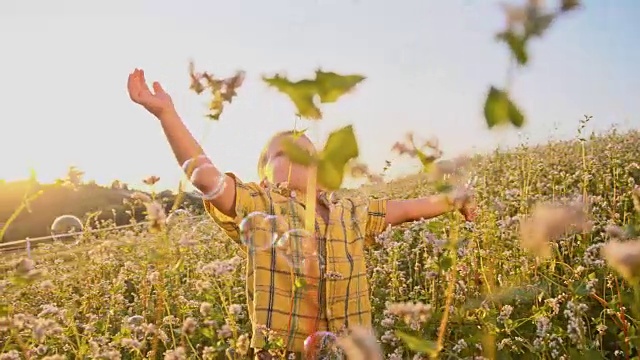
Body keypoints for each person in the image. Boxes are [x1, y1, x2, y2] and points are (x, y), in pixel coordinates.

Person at [127, 68, 477, 359]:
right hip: (283, 352)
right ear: (262, 176)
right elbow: (208, 180)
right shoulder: (261, 206)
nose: (297, 158)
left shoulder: (351, 208)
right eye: (283, 154)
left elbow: (404, 209)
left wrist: (455, 200)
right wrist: (168, 115)